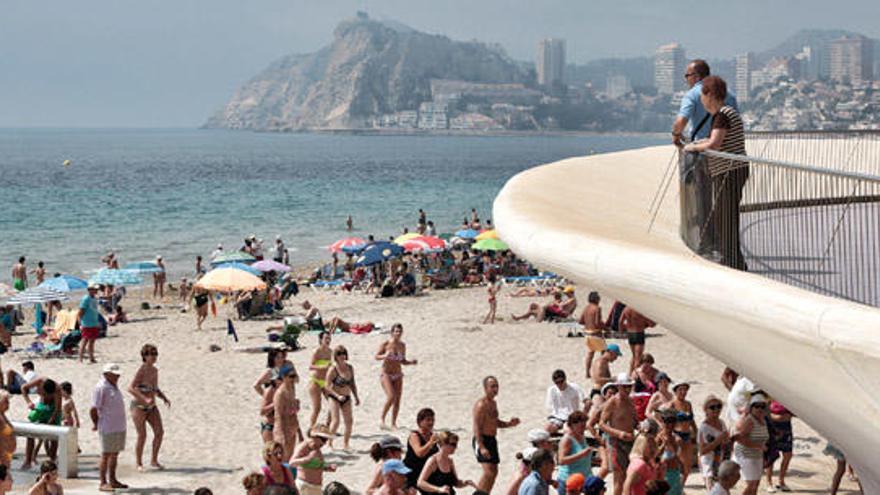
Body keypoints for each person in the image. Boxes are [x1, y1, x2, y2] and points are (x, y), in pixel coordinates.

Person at [683, 75, 749, 271]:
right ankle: (734, 261)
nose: (702, 100)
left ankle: (734, 264)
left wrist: (691, 148)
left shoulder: (722, 115)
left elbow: (714, 144)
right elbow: (713, 140)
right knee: (725, 217)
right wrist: (696, 144)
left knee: (726, 219)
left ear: (710, 95)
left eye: (703, 95)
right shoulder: (725, 113)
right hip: (731, 170)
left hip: (729, 172)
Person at [672, 59, 738, 146]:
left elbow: (681, 121)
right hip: (727, 150)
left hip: (703, 149)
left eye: (687, 75)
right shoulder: (729, 94)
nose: (686, 79)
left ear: (697, 76)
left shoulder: (692, 94)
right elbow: (736, 122)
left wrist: (676, 136)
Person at [473, 376, 521, 493]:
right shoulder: (481, 405)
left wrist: (509, 424)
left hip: (492, 439)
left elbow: (495, 422)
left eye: (496, 386)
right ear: (485, 388)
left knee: (494, 473)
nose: (495, 389)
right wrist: (482, 446)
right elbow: (476, 427)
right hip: (482, 440)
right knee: (488, 473)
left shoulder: (493, 403)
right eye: (492, 386)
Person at [128, 344, 170, 471]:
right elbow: (131, 388)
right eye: (150, 354)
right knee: (142, 435)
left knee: (159, 432)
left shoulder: (155, 370)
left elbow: (154, 387)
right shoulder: (141, 370)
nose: (153, 357)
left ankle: (154, 460)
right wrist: (143, 398)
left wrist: (163, 397)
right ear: (144, 356)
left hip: (152, 406)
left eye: (155, 354)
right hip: (138, 406)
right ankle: (139, 463)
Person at [90, 363, 128, 492]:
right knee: (106, 454)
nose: (117, 376)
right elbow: (94, 408)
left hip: (118, 425)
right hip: (107, 425)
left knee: (115, 453)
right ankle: (103, 482)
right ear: (107, 374)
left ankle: (113, 479)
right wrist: (96, 424)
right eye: (115, 374)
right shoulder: (101, 387)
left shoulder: (112, 385)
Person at [599, 373, 637, 495]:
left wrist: (640, 426)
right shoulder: (612, 402)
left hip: (630, 442)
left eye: (629, 386)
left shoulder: (631, 401)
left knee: (630, 476)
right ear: (619, 387)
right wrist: (619, 433)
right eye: (625, 386)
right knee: (619, 478)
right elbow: (601, 424)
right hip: (616, 443)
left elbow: (634, 421)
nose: (628, 389)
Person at [376, 324, 417, 430]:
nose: (398, 333)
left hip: (398, 374)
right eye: (396, 331)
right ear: (392, 332)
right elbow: (376, 356)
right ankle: (382, 419)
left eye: (400, 331)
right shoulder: (386, 344)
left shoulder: (402, 346)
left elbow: (402, 361)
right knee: (391, 396)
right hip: (386, 373)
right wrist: (384, 355)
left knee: (397, 400)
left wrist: (411, 362)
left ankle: (393, 423)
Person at [732, 394, 770, 495]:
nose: (759, 409)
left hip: (757, 455)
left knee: (756, 484)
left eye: (762, 406)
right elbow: (740, 438)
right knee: (751, 485)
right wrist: (758, 446)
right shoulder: (750, 421)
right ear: (751, 407)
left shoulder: (763, 420)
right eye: (756, 406)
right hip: (745, 455)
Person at [325, 345, 360, 450]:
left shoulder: (350, 368)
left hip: (346, 396)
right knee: (335, 421)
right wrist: (337, 396)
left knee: (349, 421)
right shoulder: (333, 370)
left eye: (343, 353)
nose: (342, 356)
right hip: (334, 397)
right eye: (339, 354)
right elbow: (326, 386)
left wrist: (356, 396)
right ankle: (329, 443)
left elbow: (352, 383)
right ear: (335, 356)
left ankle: (346, 443)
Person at [23, 378, 62, 470]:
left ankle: (52, 461)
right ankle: (28, 461)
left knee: (54, 437)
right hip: (41, 407)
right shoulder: (39, 381)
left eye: (49, 395)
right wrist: (28, 401)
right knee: (30, 432)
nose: (46, 396)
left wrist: (51, 421)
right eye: (44, 394)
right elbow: (23, 388)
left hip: (53, 409)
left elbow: (57, 409)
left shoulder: (57, 390)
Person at [290, 426, 337, 495]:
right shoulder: (303, 446)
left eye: (326, 440)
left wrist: (327, 468)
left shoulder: (316, 448)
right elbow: (292, 463)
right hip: (304, 485)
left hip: (315, 487)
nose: (324, 443)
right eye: (323, 440)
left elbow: (314, 466)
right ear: (314, 437)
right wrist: (308, 458)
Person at [556, 411, 593, 495]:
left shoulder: (581, 436)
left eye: (584, 426)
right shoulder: (567, 440)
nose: (584, 429)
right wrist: (582, 454)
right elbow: (561, 460)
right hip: (569, 481)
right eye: (581, 426)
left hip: (583, 478)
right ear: (572, 425)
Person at [698, 395, 731, 490]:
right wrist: (719, 440)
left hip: (723, 462)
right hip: (710, 466)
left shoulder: (721, 422)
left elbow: (726, 441)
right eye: (712, 407)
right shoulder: (704, 428)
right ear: (705, 410)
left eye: (718, 406)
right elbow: (702, 451)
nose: (716, 409)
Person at [668, 382, 696, 487]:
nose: (683, 392)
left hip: (687, 435)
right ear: (675, 391)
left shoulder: (688, 404)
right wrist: (672, 436)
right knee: (678, 464)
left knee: (688, 465)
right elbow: (667, 422)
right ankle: (677, 487)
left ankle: (680, 486)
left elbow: (692, 420)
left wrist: (696, 431)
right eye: (680, 389)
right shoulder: (672, 404)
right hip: (677, 435)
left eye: (685, 390)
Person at [404, 408, 439, 489]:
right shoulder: (415, 435)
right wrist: (430, 442)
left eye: (433, 420)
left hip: (426, 474)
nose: (431, 423)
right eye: (428, 420)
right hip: (411, 474)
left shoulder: (431, 435)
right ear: (420, 422)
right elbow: (419, 453)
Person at [545, 369, 587, 434]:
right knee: (547, 428)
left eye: (561, 382)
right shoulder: (552, 390)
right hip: (558, 416)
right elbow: (549, 406)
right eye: (557, 383)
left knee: (567, 431)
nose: (559, 385)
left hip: (571, 416)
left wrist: (583, 416)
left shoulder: (574, 387)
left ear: (565, 379)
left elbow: (588, 402)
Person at [764, 401, 793, 492]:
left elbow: (793, 414)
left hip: (786, 430)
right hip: (773, 430)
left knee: (788, 455)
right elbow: (765, 413)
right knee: (771, 456)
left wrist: (786, 416)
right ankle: (769, 482)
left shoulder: (788, 400)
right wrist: (778, 417)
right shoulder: (771, 398)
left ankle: (781, 481)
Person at [273, 363, 301, 460]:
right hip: (283, 429)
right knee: (283, 459)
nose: (293, 379)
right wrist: (281, 435)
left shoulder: (292, 389)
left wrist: (299, 432)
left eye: (295, 376)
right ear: (284, 377)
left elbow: (294, 414)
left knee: (290, 458)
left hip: (292, 427)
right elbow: (278, 415)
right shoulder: (280, 393)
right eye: (291, 376)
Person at [621, 424, 658, 495]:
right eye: (649, 446)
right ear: (641, 447)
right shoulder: (639, 464)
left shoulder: (647, 462)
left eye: (653, 445)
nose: (653, 449)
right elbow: (627, 487)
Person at [308, 331, 333, 431]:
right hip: (316, 381)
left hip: (326, 382)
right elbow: (310, 366)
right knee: (317, 408)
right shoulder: (317, 351)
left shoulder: (331, 352)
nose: (328, 340)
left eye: (329, 338)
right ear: (320, 340)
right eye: (326, 338)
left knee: (333, 404)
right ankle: (311, 428)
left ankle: (327, 426)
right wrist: (322, 366)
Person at [618, 307, 654, 374]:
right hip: (638, 333)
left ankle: (630, 373)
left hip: (630, 334)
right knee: (638, 358)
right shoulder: (639, 310)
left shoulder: (626, 309)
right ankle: (635, 375)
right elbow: (651, 324)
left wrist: (621, 332)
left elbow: (620, 321)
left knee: (634, 356)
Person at [581, 291, 605, 377]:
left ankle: (587, 373)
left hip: (587, 333)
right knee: (603, 353)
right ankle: (602, 372)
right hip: (596, 333)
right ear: (596, 299)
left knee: (590, 353)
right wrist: (605, 327)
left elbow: (581, 321)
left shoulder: (586, 308)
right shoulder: (597, 308)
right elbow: (597, 323)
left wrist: (588, 322)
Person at [78, 283, 102, 364]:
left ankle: (91, 358)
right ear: (89, 290)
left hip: (94, 323)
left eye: (96, 289)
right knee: (85, 341)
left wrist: (98, 322)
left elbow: (95, 311)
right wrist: (80, 323)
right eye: (94, 289)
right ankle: (80, 358)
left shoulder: (94, 298)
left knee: (92, 341)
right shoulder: (86, 299)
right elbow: (81, 311)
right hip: (86, 323)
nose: (96, 291)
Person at [0, 391, 14, 467]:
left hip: (7, 456)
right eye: (6, 401)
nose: (8, 403)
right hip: (2, 457)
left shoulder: (2, 415)